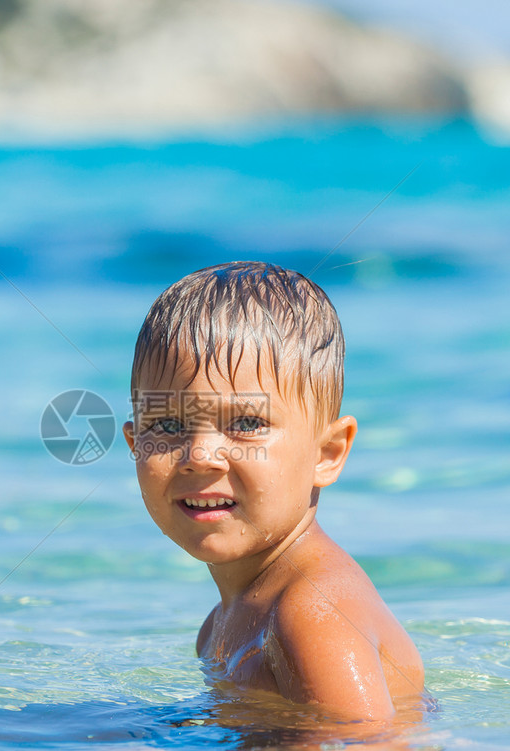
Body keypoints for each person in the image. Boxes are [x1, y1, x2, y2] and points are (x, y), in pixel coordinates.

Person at [123, 261, 424, 722]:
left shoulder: (311, 614)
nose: (200, 455)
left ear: (327, 453)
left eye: (246, 424)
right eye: (167, 425)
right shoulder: (224, 622)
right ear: (133, 444)